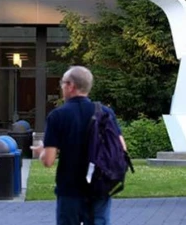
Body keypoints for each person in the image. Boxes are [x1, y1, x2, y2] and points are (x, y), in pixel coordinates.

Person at [32, 66, 127, 225]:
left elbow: (48, 161)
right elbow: (122, 148)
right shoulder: (105, 112)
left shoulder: (58, 116)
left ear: (71, 86)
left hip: (70, 189)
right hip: (100, 185)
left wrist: (41, 151)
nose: (62, 87)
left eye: (62, 83)